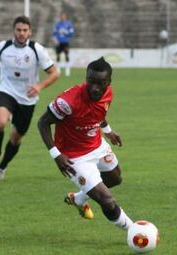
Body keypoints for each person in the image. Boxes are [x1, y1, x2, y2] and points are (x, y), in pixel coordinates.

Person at [37, 57, 133, 231]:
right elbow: (42, 123)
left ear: (108, 82)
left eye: (101, 83)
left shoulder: (108, 93)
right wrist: (56, 155)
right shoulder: (68, 101)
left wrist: (108, 131)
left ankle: (78, 199)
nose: (95, 88)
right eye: (91, 82)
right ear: (86, 78)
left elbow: (98, 114)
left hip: (96, 145)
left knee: (115, 178)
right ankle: (133, 230)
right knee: (106, 200)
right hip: (74, 157)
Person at [0, 16, 59, 181]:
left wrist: (39, 87)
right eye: (18, 30)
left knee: (16, 138)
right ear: (14, 30)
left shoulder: (36, 50)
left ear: (30, 31)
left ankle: (2, 167)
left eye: (25, 30)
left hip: (27, 99)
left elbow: (54, 73)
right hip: (6, 91)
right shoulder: (3, 47)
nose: (21, 33)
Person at [52, 12, 74, 76]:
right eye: (62, 16)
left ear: (65, 17)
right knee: (58, 55)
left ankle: (67, 70)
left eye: (64, 16)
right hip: (59, 42)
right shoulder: (58, 24)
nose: (63, 17)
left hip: (65, 42)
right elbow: (54, 33)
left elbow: (71, 33)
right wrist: (55, 40)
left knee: (66, 55)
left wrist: (68, 38)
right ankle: (58, 70)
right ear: (60, 17)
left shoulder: (69, 24)